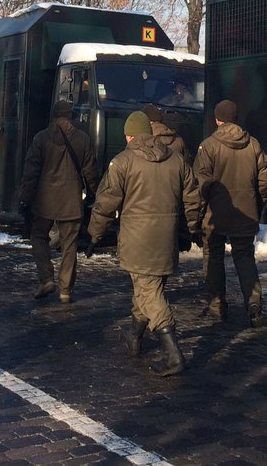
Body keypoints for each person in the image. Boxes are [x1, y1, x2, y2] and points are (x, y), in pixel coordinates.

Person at [86, 110, 201, 376]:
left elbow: (106, 203)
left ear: (129, 135)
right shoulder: (176, 160)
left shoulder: (122, 162)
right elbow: (193, 197)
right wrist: (192, 228)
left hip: (137, 239)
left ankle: (173, 354)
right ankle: (134, 336)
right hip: (167, 237)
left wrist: (94, 234)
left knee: (149, 292)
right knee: (149, 287)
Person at [193, 99, 267, 327]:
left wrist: (199, 213)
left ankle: (217, 307)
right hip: (245, 212)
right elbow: (264, 182)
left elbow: (202, 184)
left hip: (215, 213)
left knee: (213, 256)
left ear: (217, 119)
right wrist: (257, 205)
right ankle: (254, 304)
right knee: (245, 256)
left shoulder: (208, 146)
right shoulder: (253, 144)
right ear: (236, 118)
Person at [18, 99, 98, 304]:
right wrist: (92, 194)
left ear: (54, 115)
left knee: (38, 236)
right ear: (71, 115)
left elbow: (31, 172)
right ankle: (65, 291)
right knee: (69, 245)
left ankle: (46, 278)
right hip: (71, 200)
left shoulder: (41, 138)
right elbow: (90, 172)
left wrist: (25, 197)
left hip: (44, 200)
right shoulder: (83, 139)